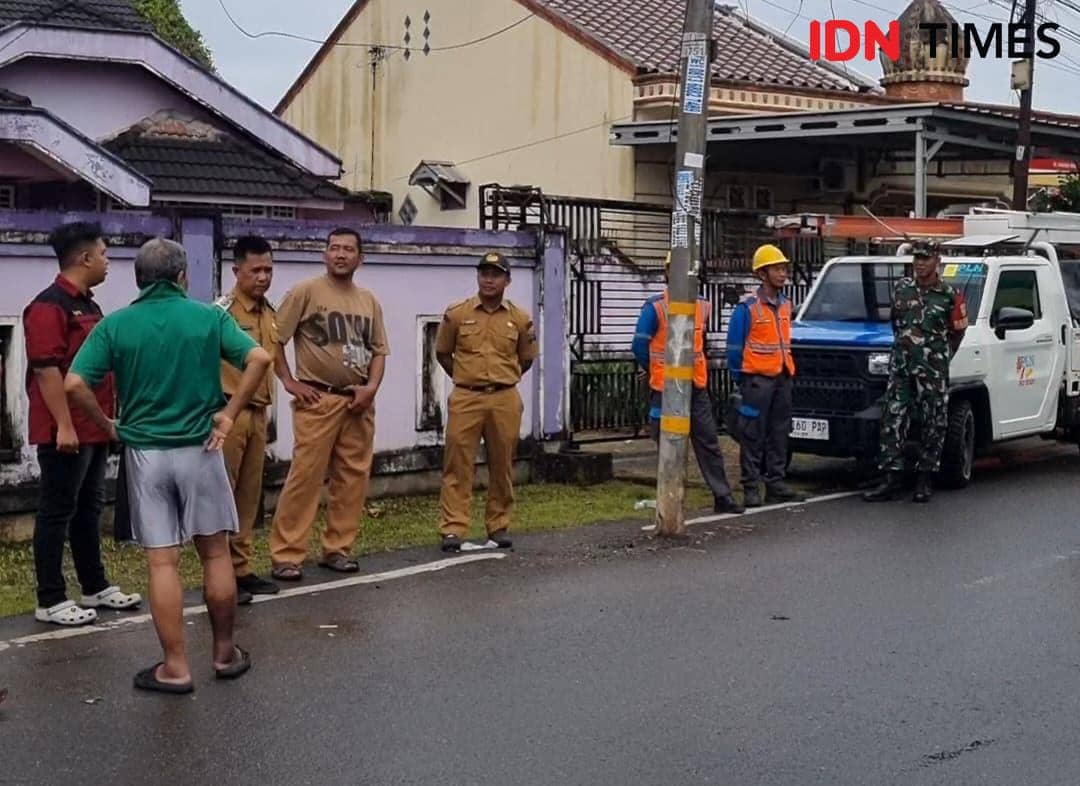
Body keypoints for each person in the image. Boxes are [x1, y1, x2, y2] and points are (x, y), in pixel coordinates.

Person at [65, 238, 271, 694]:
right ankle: (223, 653)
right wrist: (230, 413)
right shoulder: (209, 317)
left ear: (139, 279)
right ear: (182, 277)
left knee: (163, 562)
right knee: (215, 551)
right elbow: (259, 358)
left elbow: (75, 382)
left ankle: (175, 666)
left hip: (147, 454)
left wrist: (108, 425)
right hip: (202, 448)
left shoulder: (116, 325)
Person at [23, 221, 140, 627]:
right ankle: (50, 598)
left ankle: (95, 585)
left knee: (88, 510)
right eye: (104, 254)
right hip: (66, 431)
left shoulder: (89, 306)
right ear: (85, 258)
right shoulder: (48, 306)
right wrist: (63, 426)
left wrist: (106, 422)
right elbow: (46, 370)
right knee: (56, 510)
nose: (108, 262)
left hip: (92, 428)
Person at [269, 228, 388, 580]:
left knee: (352, 478)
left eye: (348, 249)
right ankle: (286, 554)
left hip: (358, 401)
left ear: (360, 258)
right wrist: (290, 382)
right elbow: (275, 339)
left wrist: (371, 388)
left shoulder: (368, 300)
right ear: (324, 255)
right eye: (334, 248)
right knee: (305, 476)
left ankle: (338, 549)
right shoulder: (305, 292)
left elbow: (379, 351)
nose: (340, 254)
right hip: (318, 399)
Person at [435, 251, 537, 552]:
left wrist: (504, 378)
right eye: (484, 273)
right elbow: (443, 353)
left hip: (504, 397)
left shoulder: (519, 318)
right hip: (466, 396)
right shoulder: (457, 314)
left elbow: (526, 359)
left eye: (495, 274)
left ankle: (499, 525)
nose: (489, 279)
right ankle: (453, 528)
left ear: (507, 279)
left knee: (502, 463)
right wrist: (466, 378)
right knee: (457, 464)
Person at [631, 254, 744, 515]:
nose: (684, 274)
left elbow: (699, 341)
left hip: (696, 385)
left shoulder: (703, 304)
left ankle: (723, 496)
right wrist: (658, 371)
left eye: (689, 269)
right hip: (665, 388)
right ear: (667, 272)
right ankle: (669, 500)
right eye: (677, 268)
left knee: (708, 442)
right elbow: (639, 346)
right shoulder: (656, 306)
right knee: (667, 445)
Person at [864, 239, 968, 504]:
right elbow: (896, 325)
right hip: (901, 368)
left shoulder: (949, 295)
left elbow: (958, 331)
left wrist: (939, 357)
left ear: (937, 261)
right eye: (917, 259)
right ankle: (891, 476)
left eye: (925, 258)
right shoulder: (901, 289)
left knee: (934, 422)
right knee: (893, 418)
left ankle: (925, 477)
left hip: (932, 371)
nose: (920, 263)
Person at [214, 236, 280, 604]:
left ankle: (241, 569)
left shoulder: (270, 312)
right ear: (236, 270)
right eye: (255, 270)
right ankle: (222, 573)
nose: (263, 277)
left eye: (268, 269)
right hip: (229, 412)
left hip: (259, 413)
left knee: (248, 496)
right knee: (223, 495)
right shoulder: (221, 313)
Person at [726, 244, 803, 508]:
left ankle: (776, 483)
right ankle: (751, 487)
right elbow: (734, 349)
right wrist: (742, 379)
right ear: (762, 274)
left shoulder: (785, 305)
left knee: (779, 433)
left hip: (782, 377)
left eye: (784, 269)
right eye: (777, 269)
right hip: (756, 380)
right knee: (752, 435)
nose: (783, 274)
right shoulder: (747, 308)